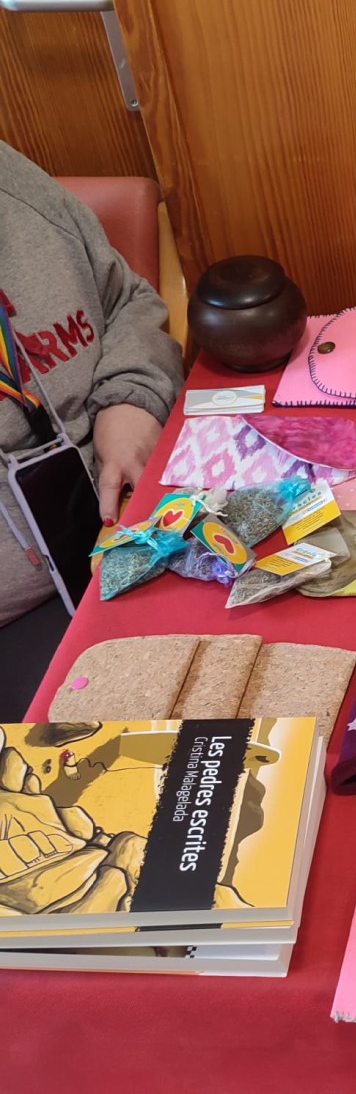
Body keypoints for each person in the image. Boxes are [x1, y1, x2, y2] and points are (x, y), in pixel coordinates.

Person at [0, 141, 183, 716]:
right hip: (21, 612)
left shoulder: (13, 176)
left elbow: (127, 299)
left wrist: (132, 397)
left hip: (131, 532)